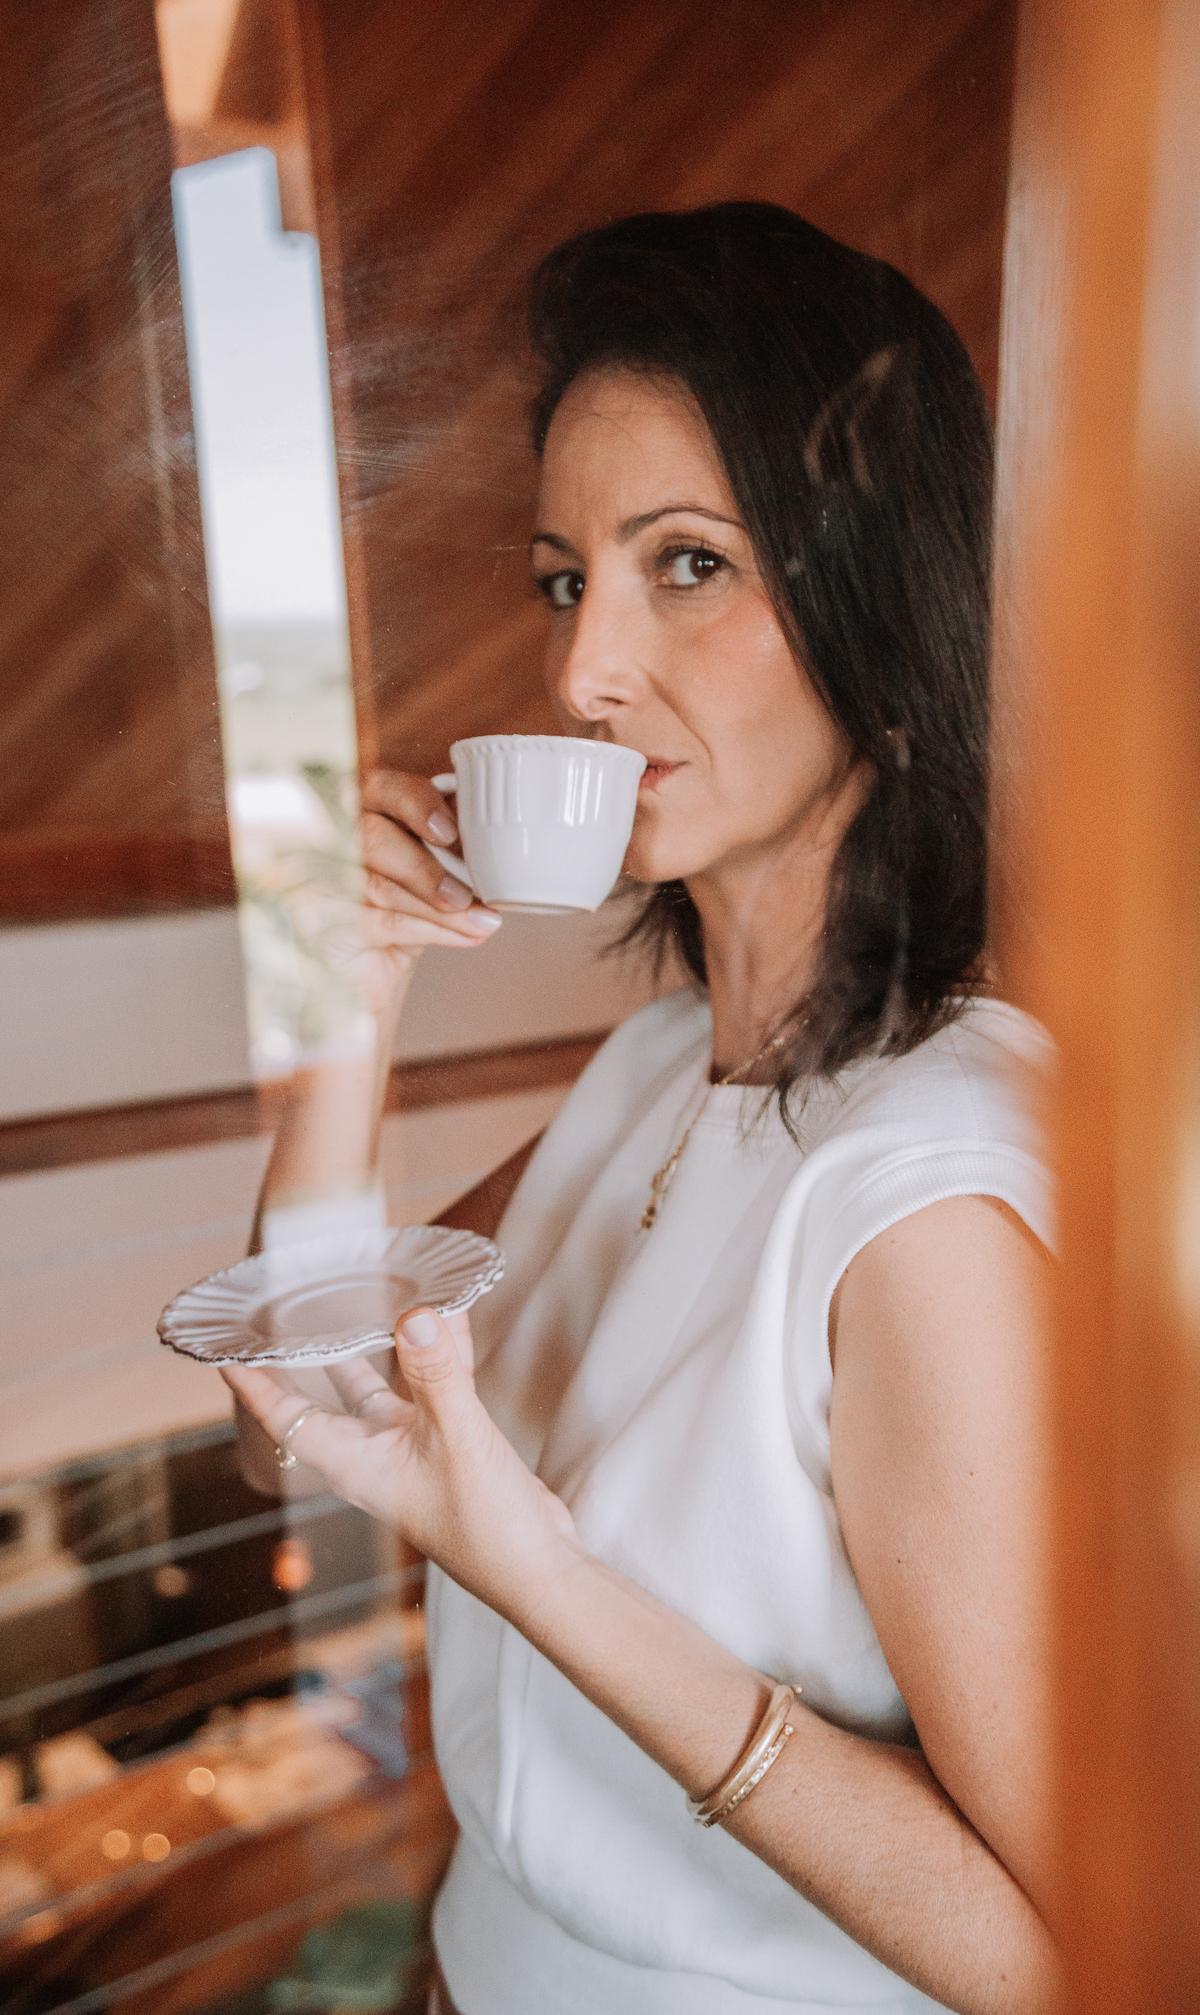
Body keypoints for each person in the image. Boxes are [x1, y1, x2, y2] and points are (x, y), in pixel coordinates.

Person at [226, 205, 1059, 2015]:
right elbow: (293, 1419)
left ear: (879, 607)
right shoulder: (646, 1078)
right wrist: (343, 1017)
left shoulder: (929, 1206)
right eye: (563, 579)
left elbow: (1077, 1964)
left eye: (684, 564)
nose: (580, 670)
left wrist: (534, 1574)